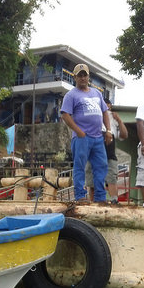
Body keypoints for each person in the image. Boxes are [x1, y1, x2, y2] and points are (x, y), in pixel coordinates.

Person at [60, 63, 112, 203]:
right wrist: (79, 131)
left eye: (85, 75)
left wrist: (108, 130)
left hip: (97, 137)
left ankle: (100, 197)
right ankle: (80, 196)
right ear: (75, 77)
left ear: (89, 77)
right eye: (80, 75)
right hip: (82, 137)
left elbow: (104, 112)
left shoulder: (96, 93)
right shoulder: (71, 95)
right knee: (80, 166)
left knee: (101, 166)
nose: (83, 78)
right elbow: (65, 115)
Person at [85, 98, 128, 204]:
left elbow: (124, 135)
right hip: (93, 152)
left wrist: (119, 120)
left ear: (110, 106)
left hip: (109, 154)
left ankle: (114, 200)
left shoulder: (113, 117)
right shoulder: (92, 115)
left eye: (107, 104)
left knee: (111, 178)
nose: (105, 106)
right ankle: (93, 202)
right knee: (92, 179)